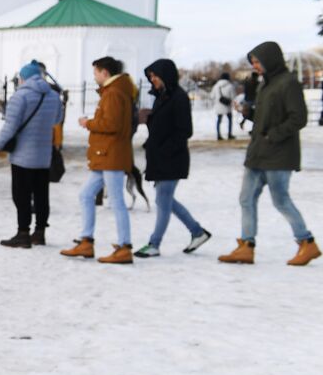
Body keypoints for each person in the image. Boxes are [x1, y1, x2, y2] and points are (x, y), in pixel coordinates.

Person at [219, 42, 320, 266]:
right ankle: (246, 245)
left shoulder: (288, 83)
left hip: (279, 155)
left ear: (270, 60)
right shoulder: (266, 84)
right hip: (258, 153)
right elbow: (266, 118)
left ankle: (307, 243)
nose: (255, 66)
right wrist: (250, 113)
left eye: (258, 61)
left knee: (281, 200)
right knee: (246, 198)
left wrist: (272, 135)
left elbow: (298, 118)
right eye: (253, 62)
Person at [61, 56, 136, 263]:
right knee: (86, 195)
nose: (94, 77)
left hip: (110, 154)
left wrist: (89, 123)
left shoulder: (113, 93)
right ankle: (86, 241)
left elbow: (111, 124)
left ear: (105, 72)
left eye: (95, 72)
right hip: (106, 155)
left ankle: (124, 246)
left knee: (116, 201)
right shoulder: (116, 91)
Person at [135, 59, 211, 257]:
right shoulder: (161, 97)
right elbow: (162, 126)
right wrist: (150, 119)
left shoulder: (179, 97)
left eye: (155, 76)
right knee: (165, 201)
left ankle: (154, 243)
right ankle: (197, 232)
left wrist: (164, 150)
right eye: (150, 76)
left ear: (165, 75)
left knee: (163, 200)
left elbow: (184, 130)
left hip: (171, 158)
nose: (152, 80)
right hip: (160, 157)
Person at [0, 61, 62, 247]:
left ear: (23, 78)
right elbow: (57, 120)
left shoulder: (20, 97)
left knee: (21, 195)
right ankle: (39, 233)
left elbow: (10, 126)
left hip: (23, 155)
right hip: (43, 155)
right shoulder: (54, 96)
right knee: (41, 194)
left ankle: (23, 233)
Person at [209, 72, 235, 140]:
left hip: (218, 106)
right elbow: (233, 97)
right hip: (227, 106)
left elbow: (212, 96)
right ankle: (229, 134)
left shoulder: (216, 86)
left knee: (219, 120)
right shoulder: (230, 86)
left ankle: (218, 135)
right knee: (230, 120)